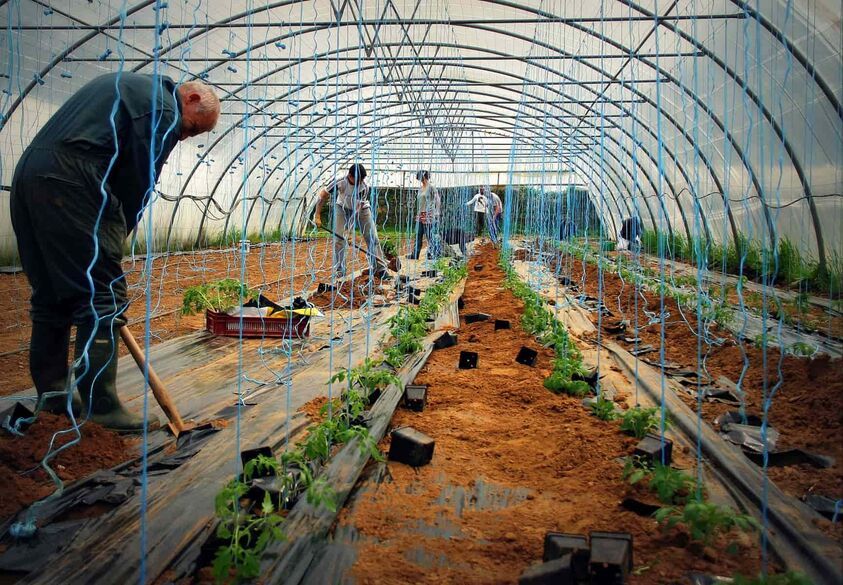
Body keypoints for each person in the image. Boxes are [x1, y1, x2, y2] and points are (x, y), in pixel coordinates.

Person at [10, 73, 220, 432]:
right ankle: (101, 406)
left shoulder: (133, 88)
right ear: (190, 99)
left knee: (51, 298)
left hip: (32, 173)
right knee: (103, 294)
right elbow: (137, 181)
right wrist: (113, 238)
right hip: (73, 179)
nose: (185, 136)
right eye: (191, 128)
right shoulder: (161, 108)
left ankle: (54, 400)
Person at [313, 163, 391, 281]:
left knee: (372, 238)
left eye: (362, 180)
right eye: (358, 179)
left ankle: (380, 268)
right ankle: (340, 270)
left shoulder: (363, 187)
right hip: (342, 208)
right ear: (350, 175)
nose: (360, 182)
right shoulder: (339, 182)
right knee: (339, 239)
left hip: (361, 210)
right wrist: (317, 215)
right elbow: (322, 195)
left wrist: (349, 231)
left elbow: (356, 211)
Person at [408, 170, 441, 260]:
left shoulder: (431, 187)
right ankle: (415, 254)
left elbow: (437, 199)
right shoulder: (421, 188)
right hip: (420, 214)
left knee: (429, 235)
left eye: (420, 177)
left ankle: (434, 253)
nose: (419, 179)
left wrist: (437, 212)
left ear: (424, 176)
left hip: (429, 214)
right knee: (418, 234)